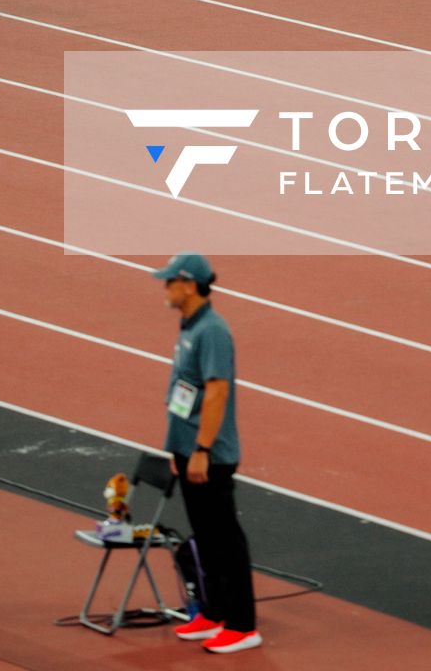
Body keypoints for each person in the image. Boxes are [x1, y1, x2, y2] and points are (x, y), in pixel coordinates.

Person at [152, 253, 260, 654]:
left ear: (189, 284)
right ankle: (214, 612)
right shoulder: (190, 326)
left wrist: (201, 449)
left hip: (208, 455)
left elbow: (217, 391)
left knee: (225, 539)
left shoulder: (212, 331)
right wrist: (177, 448)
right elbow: (186, 391)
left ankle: (243, 624)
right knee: (207, 539)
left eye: (169, 282)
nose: (164, 288)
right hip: (187, 451)